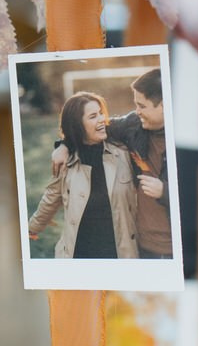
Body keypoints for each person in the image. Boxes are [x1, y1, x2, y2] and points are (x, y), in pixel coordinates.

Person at [52, 70, 173, 259]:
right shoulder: (134, 124)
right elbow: (88, 130)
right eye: (136, 105)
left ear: (164, 106)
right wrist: (64, 145)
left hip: (174, 250)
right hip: (142, 246)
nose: (137, 111)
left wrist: (165, 192)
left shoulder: (186, 142)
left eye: (142, 106)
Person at [28, 93, 139, 259]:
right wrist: (31, 228)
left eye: (101, 113)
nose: (102, 119)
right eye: (93, 116)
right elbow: (51, 198)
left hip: (119, 254)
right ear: (78, 125)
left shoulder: (123, 153)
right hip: (78, 254)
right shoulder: (65, 161)